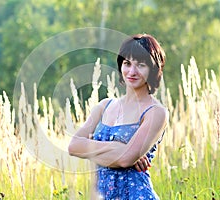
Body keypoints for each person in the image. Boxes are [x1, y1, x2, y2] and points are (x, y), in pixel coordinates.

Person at [68, 33, 167, 199]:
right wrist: (120, 148)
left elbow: (125, 160)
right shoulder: (104, 106)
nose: (132, 71)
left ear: (152, 69)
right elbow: (73, 146)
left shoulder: (155, 112)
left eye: (141, 65)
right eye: (127, 63)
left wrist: (90, 147)